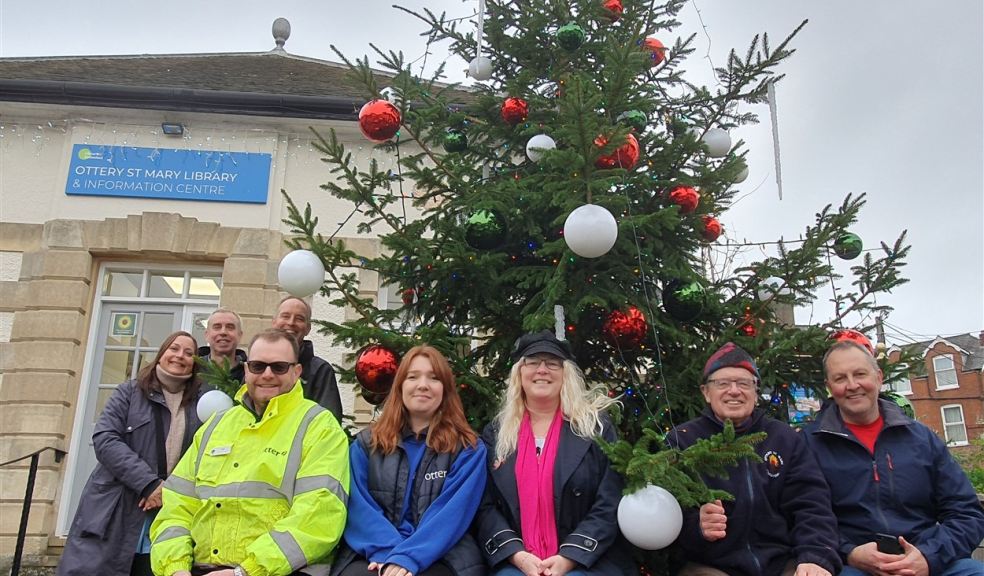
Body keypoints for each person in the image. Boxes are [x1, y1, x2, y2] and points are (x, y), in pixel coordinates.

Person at [150, 328, 350, 576]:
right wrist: (175, 569)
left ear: (296, 372)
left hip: (282, 571)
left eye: (278, 367)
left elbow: (318, 517)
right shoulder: (215, 426)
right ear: (246, 370)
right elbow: (176, 509)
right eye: (257, 366)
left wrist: (245, 572)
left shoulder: (319, 426)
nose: (267, 374)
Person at [805, 340, 984, 576]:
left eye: (860, 374)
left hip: (927, 559)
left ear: (879, 377)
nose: (852, 385)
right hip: (853, 565)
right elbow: (805, 517)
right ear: (829, 386)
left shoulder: (921, 439)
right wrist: (849, 552)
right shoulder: (809, 444)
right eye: (840, 378)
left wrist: (928, 557)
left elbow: (966, 513)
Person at [667, 342, 841, 576]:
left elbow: (811, 504)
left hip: (782, 563)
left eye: (744, 383)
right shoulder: (682, 441)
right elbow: (668, 515)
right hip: (709, 566)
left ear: (756, 392)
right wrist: (696, 527)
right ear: (706, 393)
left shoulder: (785, 439)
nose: (734, 391)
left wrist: (815, 557)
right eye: (723, 383)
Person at [476, 330, 632, 576]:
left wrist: (570, 556)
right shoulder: (496, 433)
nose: (542, 370)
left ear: (565, 375)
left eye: (552, 363)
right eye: (533, 362)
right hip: (518, 562)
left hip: (587, 560)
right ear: (519, 373)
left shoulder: (596, 428)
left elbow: (610, 500)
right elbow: (484, 506)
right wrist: (516, 555)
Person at [58, 331, 206, 576]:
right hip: (117, 506)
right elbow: (105, 438)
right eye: (174, 349)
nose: (180, 356)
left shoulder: (197, 403)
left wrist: (166, 491)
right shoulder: (129, 391)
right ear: (162, 354)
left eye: (189, 353)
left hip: (167, 507)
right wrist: (148, 484)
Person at [332, 345, 488, 576]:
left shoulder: (467, 449)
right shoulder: (367, 444)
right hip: (374, 552)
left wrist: (408, 558)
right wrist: (388, 554)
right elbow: (359, 508)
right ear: (400, 387)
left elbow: (451, 515)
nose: (422, 385)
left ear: (445, 389)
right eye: (412, 377)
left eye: (433, 378)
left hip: (443, 555)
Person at [272, 296, 343, 422]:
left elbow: (329, 422)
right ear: (274, 322)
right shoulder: (258, 366)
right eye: (285, 316)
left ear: (308, 328)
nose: (291, 323)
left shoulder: (321, 371)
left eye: (299, 318)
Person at [198, 308, 247, 382]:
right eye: (217, 327)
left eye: (230, 327)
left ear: (240, 335)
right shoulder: (192, 369)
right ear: (206, 335)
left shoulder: (250, 372)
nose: (223, 332)